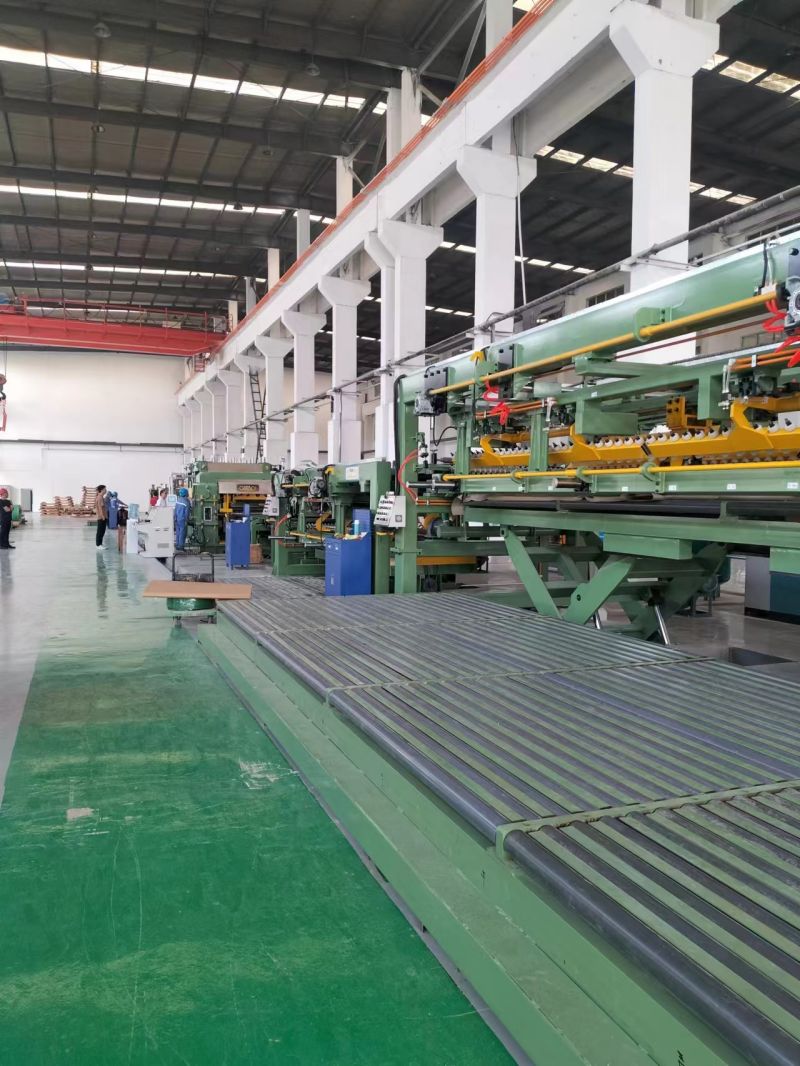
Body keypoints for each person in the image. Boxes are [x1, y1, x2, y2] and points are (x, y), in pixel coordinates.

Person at [95, 485, 108, 550]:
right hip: (101, 517)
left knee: (102, 531)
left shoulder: (101, 497)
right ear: (102, 490)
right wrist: (102, 516)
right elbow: (100, 508)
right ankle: (98, 545)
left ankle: (100, 544)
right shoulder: (99, 497)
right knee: (100, 531)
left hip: (103, 516)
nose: (106, 490)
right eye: (105, 489)